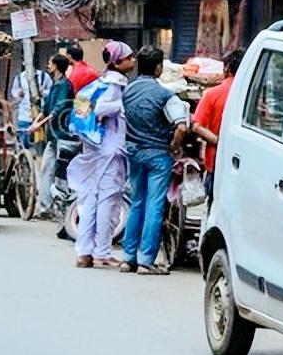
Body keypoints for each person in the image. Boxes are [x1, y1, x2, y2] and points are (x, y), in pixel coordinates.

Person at [119, 46, 189, 275]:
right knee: (155, 205)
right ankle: (146, 259)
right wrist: (174, 146)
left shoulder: (127, 91)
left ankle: (128, 257)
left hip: (134, 152)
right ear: (159, 68)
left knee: (137, 202)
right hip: (158, 154)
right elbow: (181, 126)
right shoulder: (165, 95)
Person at [67, 41, 135, 268]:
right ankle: (102, 252)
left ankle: (84, 252)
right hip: (110, 150)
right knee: (108, 201)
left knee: (88, 200)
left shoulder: (98, 83)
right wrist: (124, 104)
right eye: (129, 58)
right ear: (118, 62)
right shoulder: (116, 86)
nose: (132, 61)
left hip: (93, 148)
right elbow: (102, 109)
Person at [191, 48, 244, 202]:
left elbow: (197, 126)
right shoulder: (252, 94)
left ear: (227, 68)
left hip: (216, 160)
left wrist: (217, 141)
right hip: (245, 162)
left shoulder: (212, 94)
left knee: (214, 206)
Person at [30, 54, 73, 221]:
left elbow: (57, 110)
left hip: (60, 136)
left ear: (55, 66)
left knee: (53, 170)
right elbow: (46, 109)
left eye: (50, 63)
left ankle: (48, 207)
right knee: (49, 170)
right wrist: (36, 122)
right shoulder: (57, 85)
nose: (48, 65)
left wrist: (39, 123)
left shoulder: (63, 86)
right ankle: (48, 206)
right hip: (54, 135)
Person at [9, 65, 53, 149]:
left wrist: (43, 92)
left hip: (40, 115)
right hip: (24, 115)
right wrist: (18, 94)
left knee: (40, 143)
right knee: (23, 142)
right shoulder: (19, 78)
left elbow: (51, 91)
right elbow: (14, 92)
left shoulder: (44, 76)